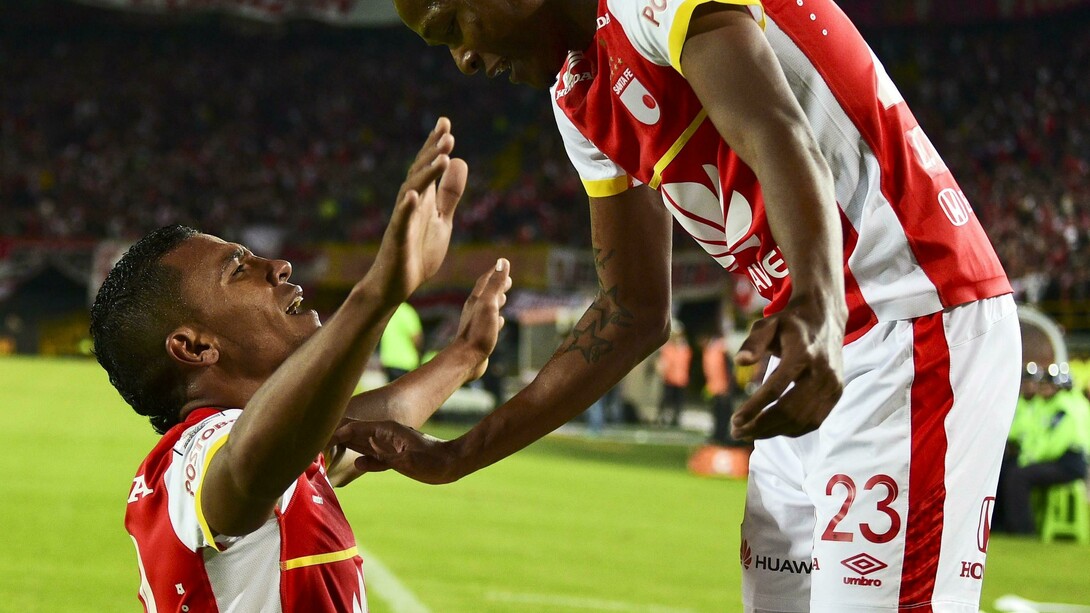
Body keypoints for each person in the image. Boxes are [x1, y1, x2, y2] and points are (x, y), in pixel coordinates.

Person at [335, 2, 1021, 611]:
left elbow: (775, 129)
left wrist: (816, 303)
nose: (465, 59)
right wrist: (456, 454)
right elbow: (631, 308)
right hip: (812, 347)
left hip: (911, 320)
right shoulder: (577, 94)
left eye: (455, 24)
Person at [91, 119, 513, 611]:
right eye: (238, 270)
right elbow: (251, 458)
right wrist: (377, 292)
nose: (277, 266)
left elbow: (356, 427)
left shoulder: (282, 452)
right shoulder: (195, 456)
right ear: (194, 347)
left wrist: (465, 355)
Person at [998, 365, 1090, 535]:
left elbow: (1055, 444)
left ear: (1058, 387)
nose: (1043, 389)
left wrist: (1030, 459)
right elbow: (1036, 437)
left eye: (1048, 386)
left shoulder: (1064, 408)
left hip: (1069, 462)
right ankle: (1004, 525)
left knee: (1019, 475)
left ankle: (1023, 530)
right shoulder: (1048, 405)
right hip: (1057, 459)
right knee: (1011, 471)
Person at [656, 325, 692, 427]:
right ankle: (662, 417)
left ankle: (676, 418)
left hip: (681, 378)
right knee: (666, 399)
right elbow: (663, 361)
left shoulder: (684, 348)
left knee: (678, 402)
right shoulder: (668, 347)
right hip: (670, 378)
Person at [380, 301, 424, 381]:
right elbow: (416, 337)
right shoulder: (407, 312)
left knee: (390, 392)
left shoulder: (388, 312)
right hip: (406, 362)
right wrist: (420, 353)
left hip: (389, 361)